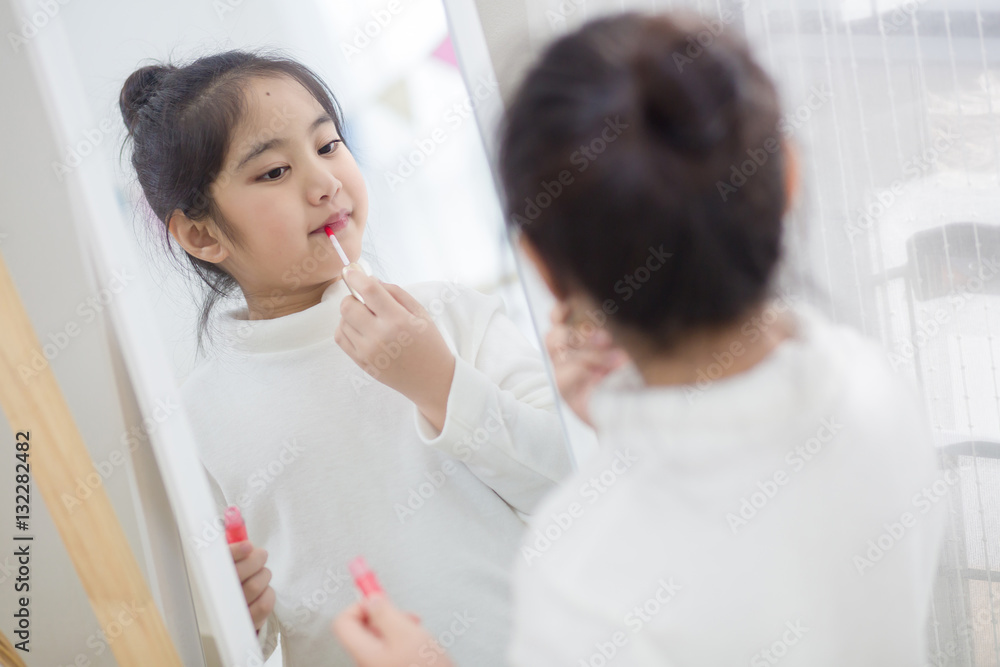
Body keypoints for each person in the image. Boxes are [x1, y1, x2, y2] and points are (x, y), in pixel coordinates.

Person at [332, 11, 946, 666]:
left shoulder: (583, 572)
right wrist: (627, 430)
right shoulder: (874, 384)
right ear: (788, 176)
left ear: (541, 265)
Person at [118, 50, 572, 666]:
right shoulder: (194, 416)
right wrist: (239, 617)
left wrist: (440, 385)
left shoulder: (452, 316)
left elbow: (575, 492)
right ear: (203, 234)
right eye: (275, 172)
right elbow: (224, 640)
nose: (325, 182)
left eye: (329, 146)